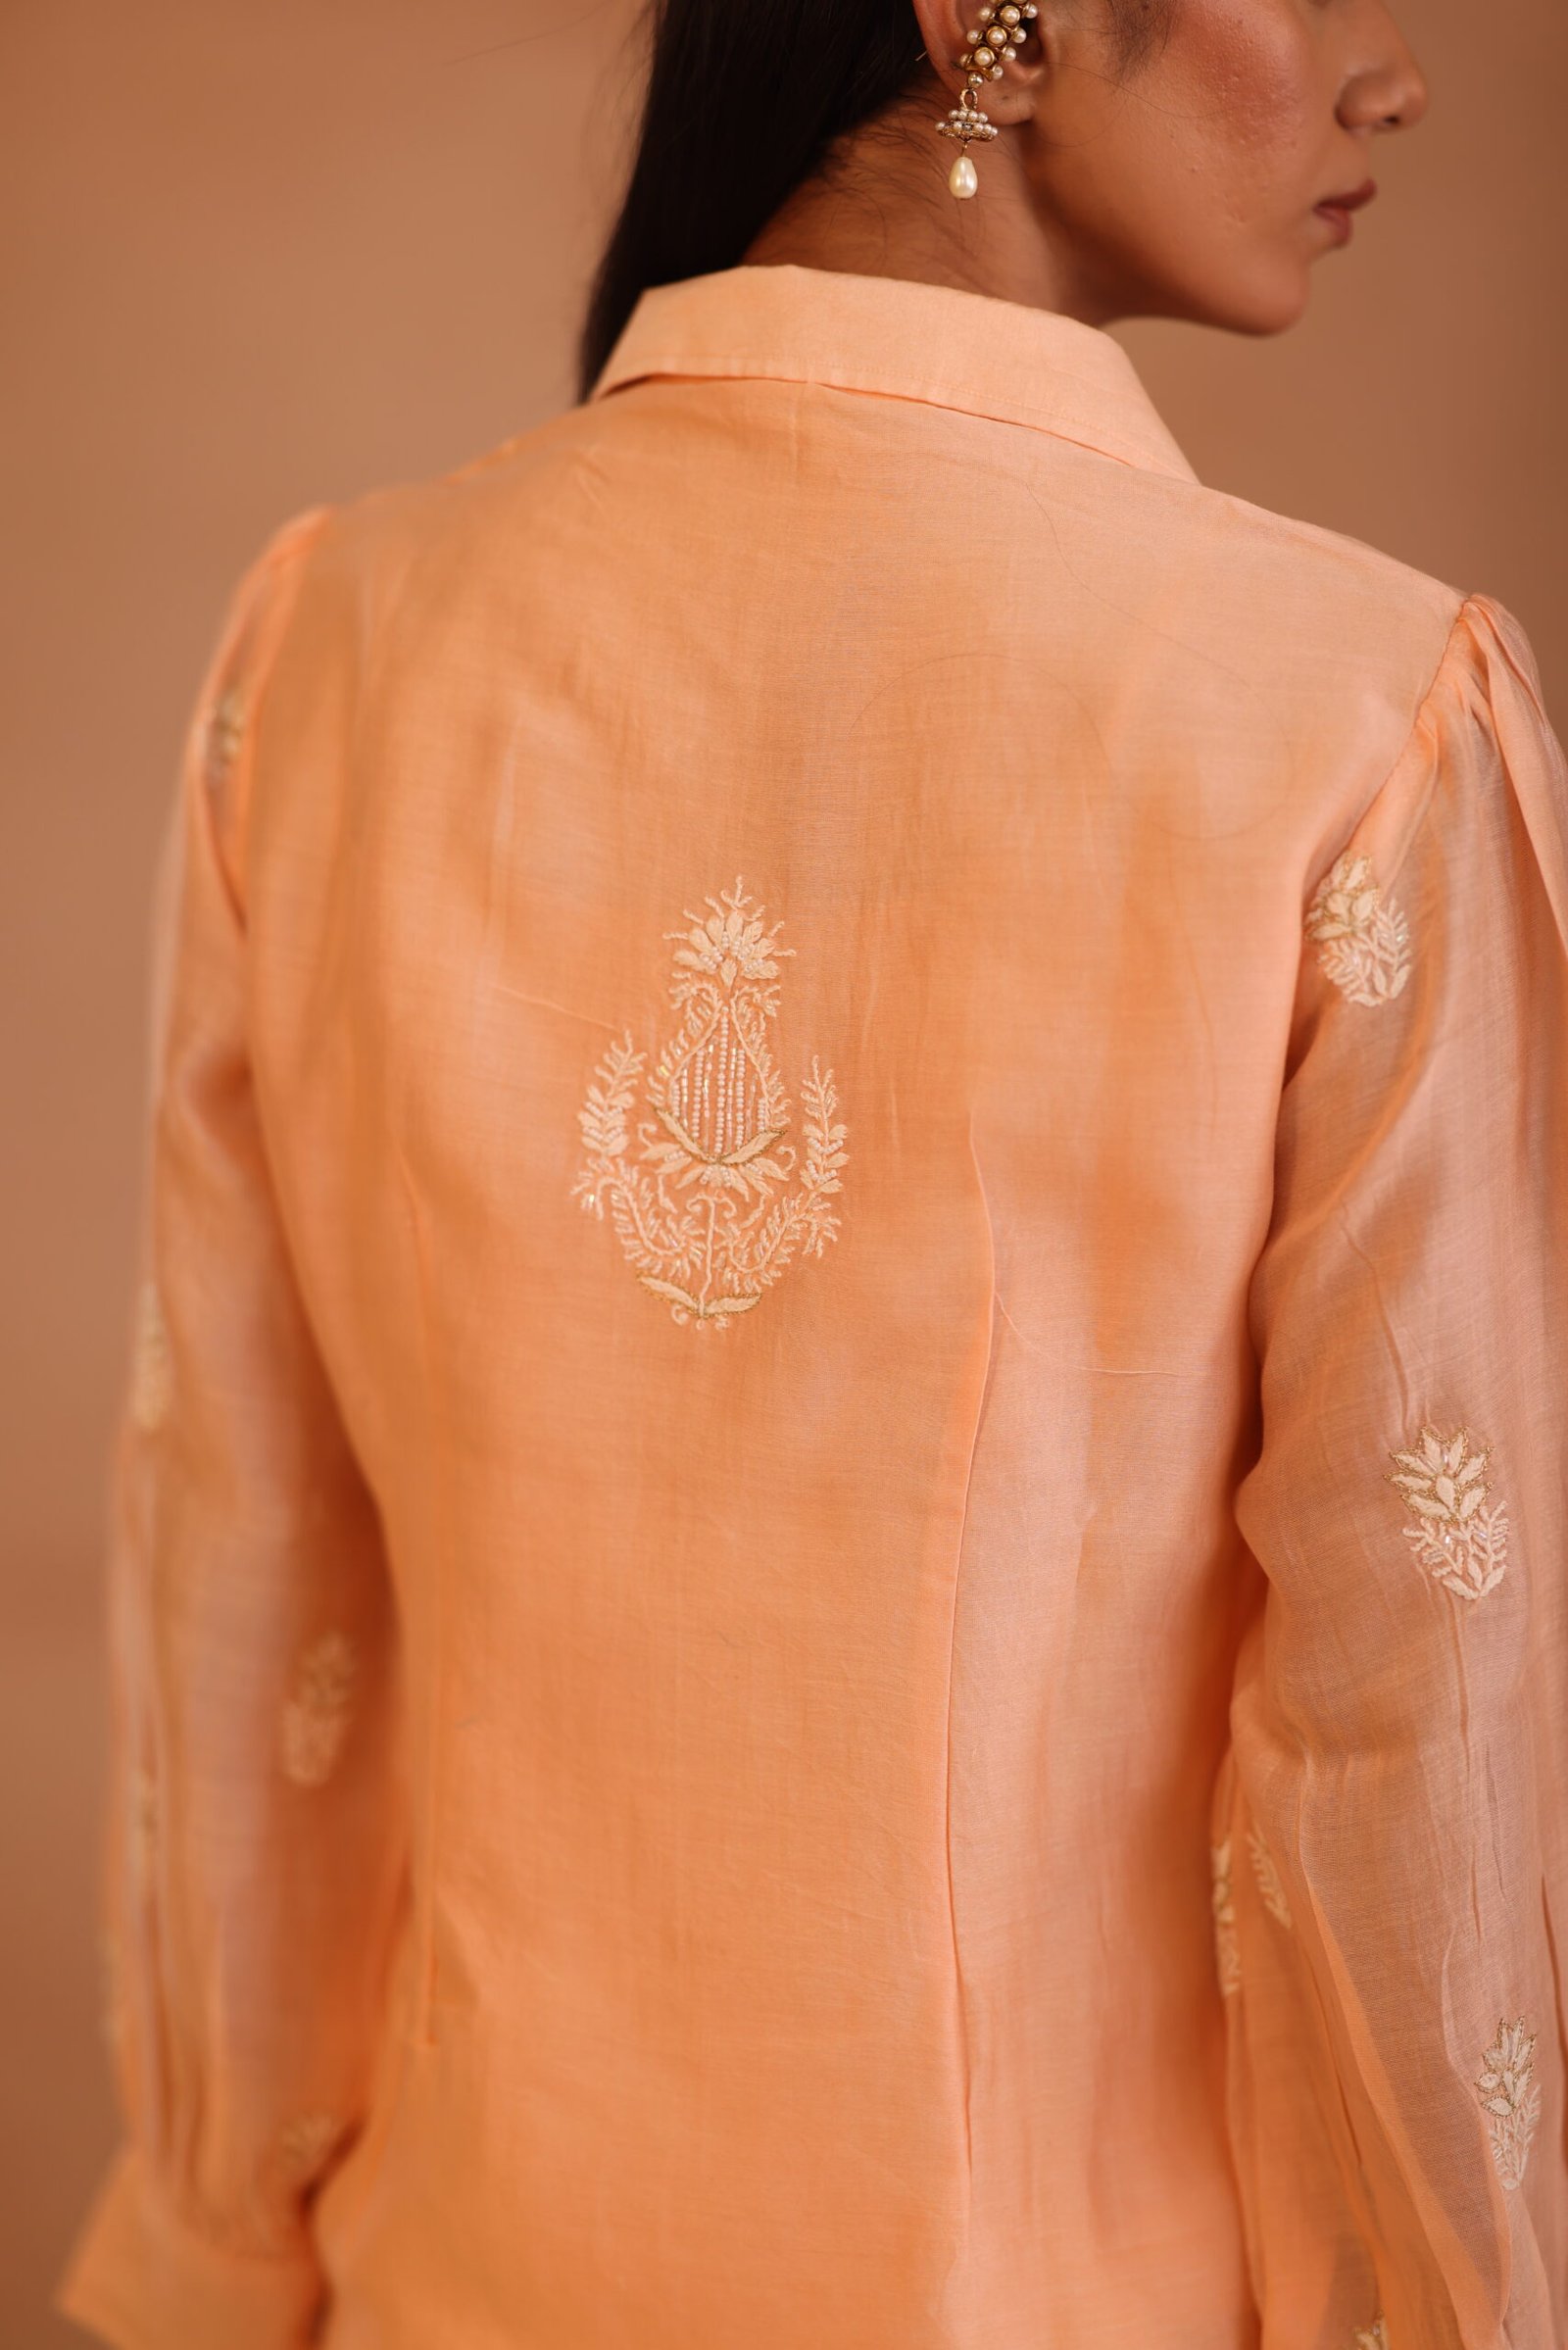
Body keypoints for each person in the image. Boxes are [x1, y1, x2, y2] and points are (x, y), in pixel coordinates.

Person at [55, 0, 1567, 2344]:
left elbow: (247, 1597)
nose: (1393, 73)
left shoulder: (331, 646)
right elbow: (1410, 1746)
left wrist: (216, 2254)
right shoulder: (1350, 723)